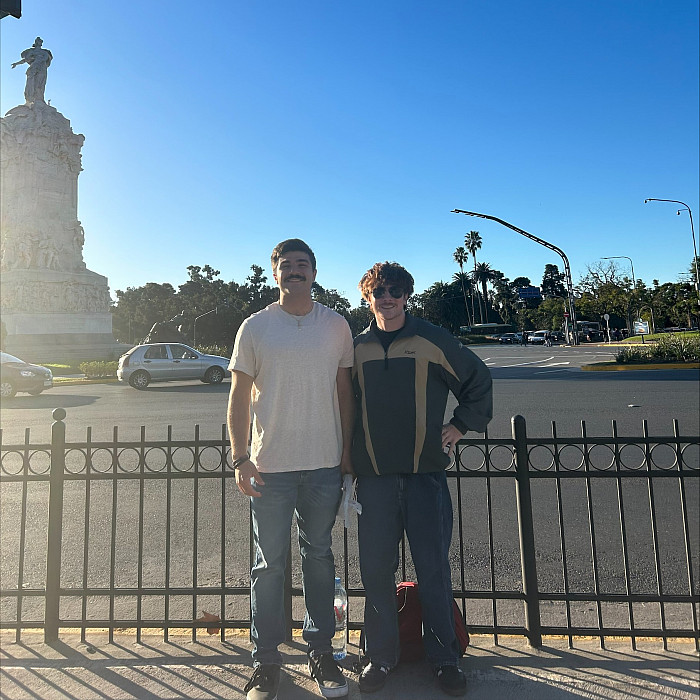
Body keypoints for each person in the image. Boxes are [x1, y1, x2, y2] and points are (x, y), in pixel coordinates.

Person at [351, 262, 492, 697]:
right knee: (376, 571)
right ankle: (381, 656)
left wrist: (460, 425)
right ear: (367, 297)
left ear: (407, 295)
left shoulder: (431, 338)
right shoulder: (355, 348)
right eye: (379, 290)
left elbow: (477, 378)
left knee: (433, 569)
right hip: (373, 478)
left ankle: (444, 658)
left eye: (395, 290)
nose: (387, 297)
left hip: (425, 476)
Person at [227, 239, 354, 700]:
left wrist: (347, 453)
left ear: (314, 272)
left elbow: (345, 393)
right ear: (274, 273)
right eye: (287, 265)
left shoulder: (336, 325)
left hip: (323, 464)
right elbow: (238, 396)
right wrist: (240, 456)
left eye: (303, 265)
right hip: (270, 468)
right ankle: (266, 662)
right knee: (268, 566)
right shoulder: (255, 327)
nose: (295, 271)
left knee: (319, 558)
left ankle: (320, 652)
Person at [11, 37, 53, 105]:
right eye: (38, 41)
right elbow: (25, 60)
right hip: (33, 68)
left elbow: (46, 59)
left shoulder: (45, 52)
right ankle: (30, 100)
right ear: (36, 43)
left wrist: (39, 59)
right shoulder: (31, 51)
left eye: (41, 41)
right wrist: (16, 63)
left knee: (40, 84)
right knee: (31, 83)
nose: (40, 42)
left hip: (42, 68)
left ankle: (39, 99)